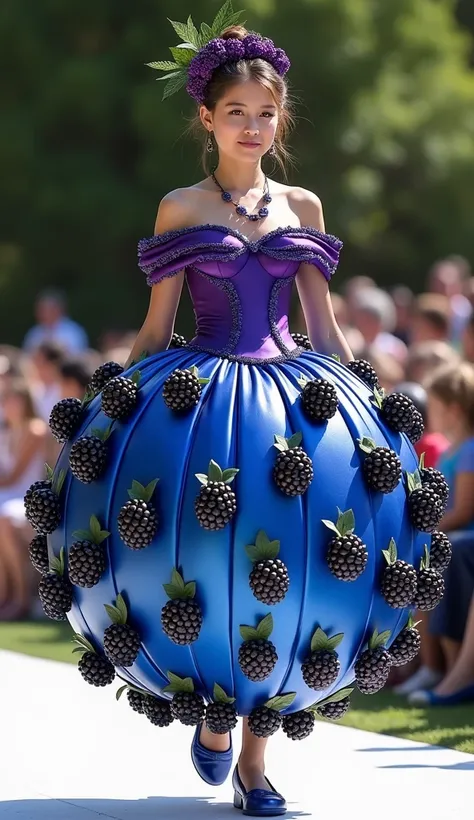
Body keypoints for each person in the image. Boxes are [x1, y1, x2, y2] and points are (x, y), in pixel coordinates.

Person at [38, 9, 442, 815]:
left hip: (296, 394)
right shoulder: (180, 208)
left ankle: (256, 763)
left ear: (280, 118)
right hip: (203, 402)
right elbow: (157, 328)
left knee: (290, 563)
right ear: (206, 118)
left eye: (266, 114)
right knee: (214, 549)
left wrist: (363, 393)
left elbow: (323, 324)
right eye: (236, 114)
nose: (253, 128)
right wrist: (107, 416)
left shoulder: (305, 205)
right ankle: (215, 720)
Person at [0, 379, 47, 619]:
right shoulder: (6, 432)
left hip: (28, 497)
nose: (7, 405)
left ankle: (20, 598)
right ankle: (4, 594)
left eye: (11, 400)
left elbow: (15, 476)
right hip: (8, 495)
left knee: (5, 520)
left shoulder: (34, 429)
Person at [23, 289, 88, 354]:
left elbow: (76, 357)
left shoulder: (73, 332)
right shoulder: (34, 333)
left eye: (45, 309)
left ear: (57, 309)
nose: (40, 313)